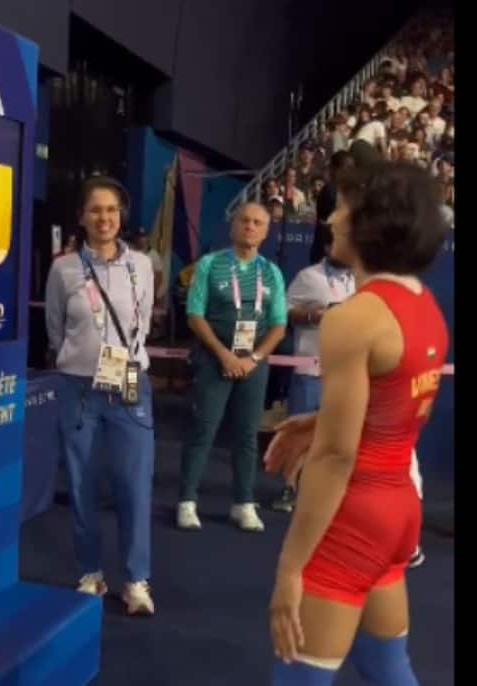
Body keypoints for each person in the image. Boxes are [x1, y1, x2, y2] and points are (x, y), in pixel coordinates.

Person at [265, 161, 448, 685]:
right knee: (385, 666)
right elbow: (394, 413)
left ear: (369, 223)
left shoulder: (354, 318)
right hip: (398, 513)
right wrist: (320, 421)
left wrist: (289, 570)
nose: (331, 219)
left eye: (342, 208)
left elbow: (337, 456)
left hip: (354, 515)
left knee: (299, 677)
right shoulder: (424, 306)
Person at [45, 176, 156, 615]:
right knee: (81, 484)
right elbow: (55, 326)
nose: (104, 218)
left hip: (130, 386)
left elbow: (143, 319)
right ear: (82, 217)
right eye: (95, 210)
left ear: (121, 215)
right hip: (79, 389)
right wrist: (77, 357)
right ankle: (90, 572)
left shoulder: (142, 266)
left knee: (134, 485)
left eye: (111, 210)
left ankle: (135, 579)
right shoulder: (63, 269)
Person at [177, 202, 288, 532]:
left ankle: (243, 502)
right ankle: (186, 500)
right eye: (244, 220)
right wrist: (224, 355)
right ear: (233, 226)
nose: (250, 227)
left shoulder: (272, 272)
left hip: (254, 365)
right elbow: (195, 315)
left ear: (266, 231)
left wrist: (252, 359)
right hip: (214, 360)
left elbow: (279, 325)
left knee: (247, 436)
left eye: (257, 222)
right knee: (203, 430)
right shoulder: (210, 265)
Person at [271, 230, 356, 514]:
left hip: (345, 372)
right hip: (310, 367)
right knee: (301, 432)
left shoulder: (359, 280)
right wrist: (313, 315)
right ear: (329, 246)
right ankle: (290, 488)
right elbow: (283, 309)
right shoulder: (309, 277)